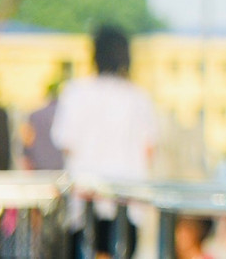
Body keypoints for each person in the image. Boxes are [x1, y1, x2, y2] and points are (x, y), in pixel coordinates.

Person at [52, 25, 158, 259]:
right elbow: (149, 148)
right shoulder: (138, 97)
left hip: (84, 201)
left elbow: (65, 142)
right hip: (126, 201)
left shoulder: (76, 92)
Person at [20, 77, 66, 171]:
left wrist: (26, 156)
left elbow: (27, 139)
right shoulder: (66, 115)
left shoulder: (35, 115)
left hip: (39, 164)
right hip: (62, 164)